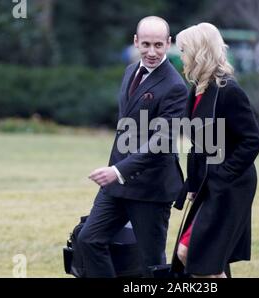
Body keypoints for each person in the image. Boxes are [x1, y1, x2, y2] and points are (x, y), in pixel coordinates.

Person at [77, 16, 188, 278]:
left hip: (151, 188)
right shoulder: (130, 72)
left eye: (159, 45)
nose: (152, 52)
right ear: (136, 42)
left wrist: (118, 171)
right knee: (88, 240)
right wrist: (116, 173)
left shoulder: (175, 86)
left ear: (168, 43)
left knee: (151, 265)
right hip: (116, 185)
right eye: (146, 44)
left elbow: (161, 142)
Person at [172, 23, 259, 278]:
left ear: (199, 51)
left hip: (231, 187)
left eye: (184, 50)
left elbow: (252, 140)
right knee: (208, 260)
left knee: (192, 253)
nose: (181, 56)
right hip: (208, 186)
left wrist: (222, 175)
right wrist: (192, 183)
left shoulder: (229, 91)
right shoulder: (198, 89)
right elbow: (198, 144)